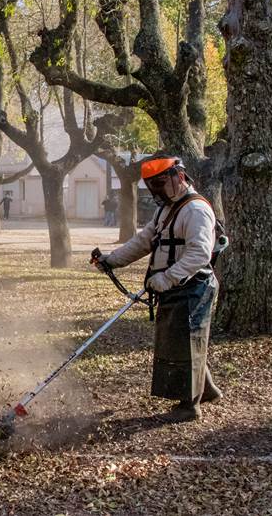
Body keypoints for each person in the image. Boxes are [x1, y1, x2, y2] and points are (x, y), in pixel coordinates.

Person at [92, 154, 222, 422]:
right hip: (175, 285)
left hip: (194, 285)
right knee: (179, 341)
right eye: (152, 186)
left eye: (161, 184)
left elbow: (199, 254)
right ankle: (207, 389)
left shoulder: (196, 210)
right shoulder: (167, 210)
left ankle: (190, 405)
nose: (156, 191)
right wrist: (112, 261)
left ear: (179, 177)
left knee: (188, 341)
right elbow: (143, 242)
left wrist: (167, 278)